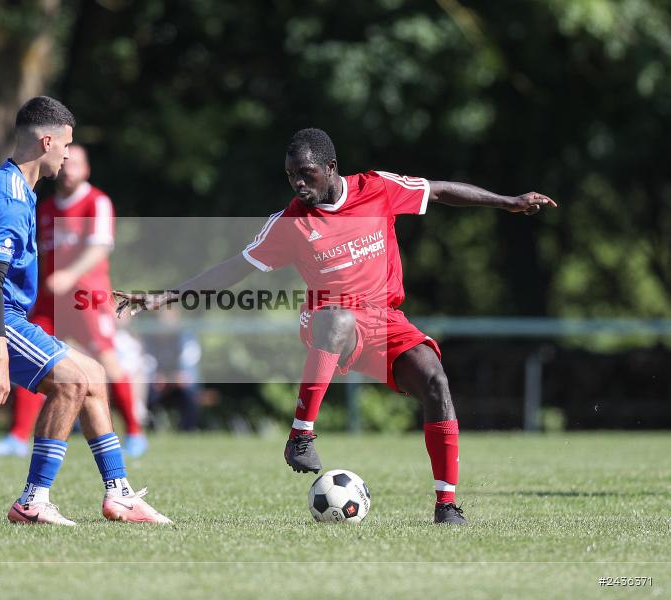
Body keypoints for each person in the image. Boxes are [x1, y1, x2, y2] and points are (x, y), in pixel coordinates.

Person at [115, 128, 556, 525]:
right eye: (291, 176)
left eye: (306, 174)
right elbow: (234, 268)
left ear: (331, 168)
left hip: (386, 321)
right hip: (328, 320)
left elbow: (438, 191)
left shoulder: (378, 189)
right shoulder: (291, 223)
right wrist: (165, 295)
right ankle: (300, 436)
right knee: (339, 318)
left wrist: (508, 201)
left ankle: (446, 506)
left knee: (435, 381)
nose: (298, 183)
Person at [0, 96, 170, 526]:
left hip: (0, 318)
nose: (68, 155)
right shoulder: (11, 198)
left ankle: (120, 494)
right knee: (71, 383)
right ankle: (32, 500)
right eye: (66, 145)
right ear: (47, 141)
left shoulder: (11, 186)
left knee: (91, 375)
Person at [0, 144, 148, 458]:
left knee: (108, 361)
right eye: (66, 161)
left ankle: (136, 433)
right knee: (32, 359)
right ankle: (18, 437)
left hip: (87, 297)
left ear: (86, 170)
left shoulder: (96, 202)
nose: (69, 167)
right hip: (49, 300)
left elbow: (100, 248)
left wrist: (70, 276)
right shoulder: (44, 209)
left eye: (77, 163)